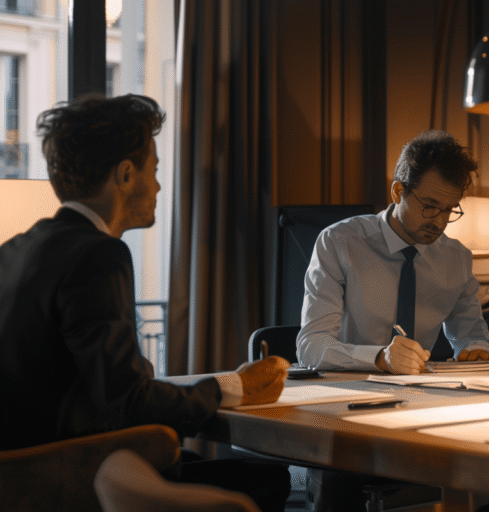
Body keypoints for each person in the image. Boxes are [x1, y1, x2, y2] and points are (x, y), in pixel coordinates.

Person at [0, 94, 291, 512]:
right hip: (64, 478)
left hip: (19, 476)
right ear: (125, 174)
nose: (156, 186)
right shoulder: (97, 255)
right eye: (154, 171)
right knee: (265, 480)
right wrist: (235, 387)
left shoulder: (15, 250)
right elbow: (127, 402)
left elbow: (104, 385)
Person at [297, 129, 489, 375]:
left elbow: (472, 336)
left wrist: (477, 350)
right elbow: (311, 346)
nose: (439, 222)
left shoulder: (456, 259)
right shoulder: (339, 242)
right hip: (345, 388)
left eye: (449, 209)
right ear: (397, 192)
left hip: (421, 394)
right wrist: (379, 358)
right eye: (429, 206)